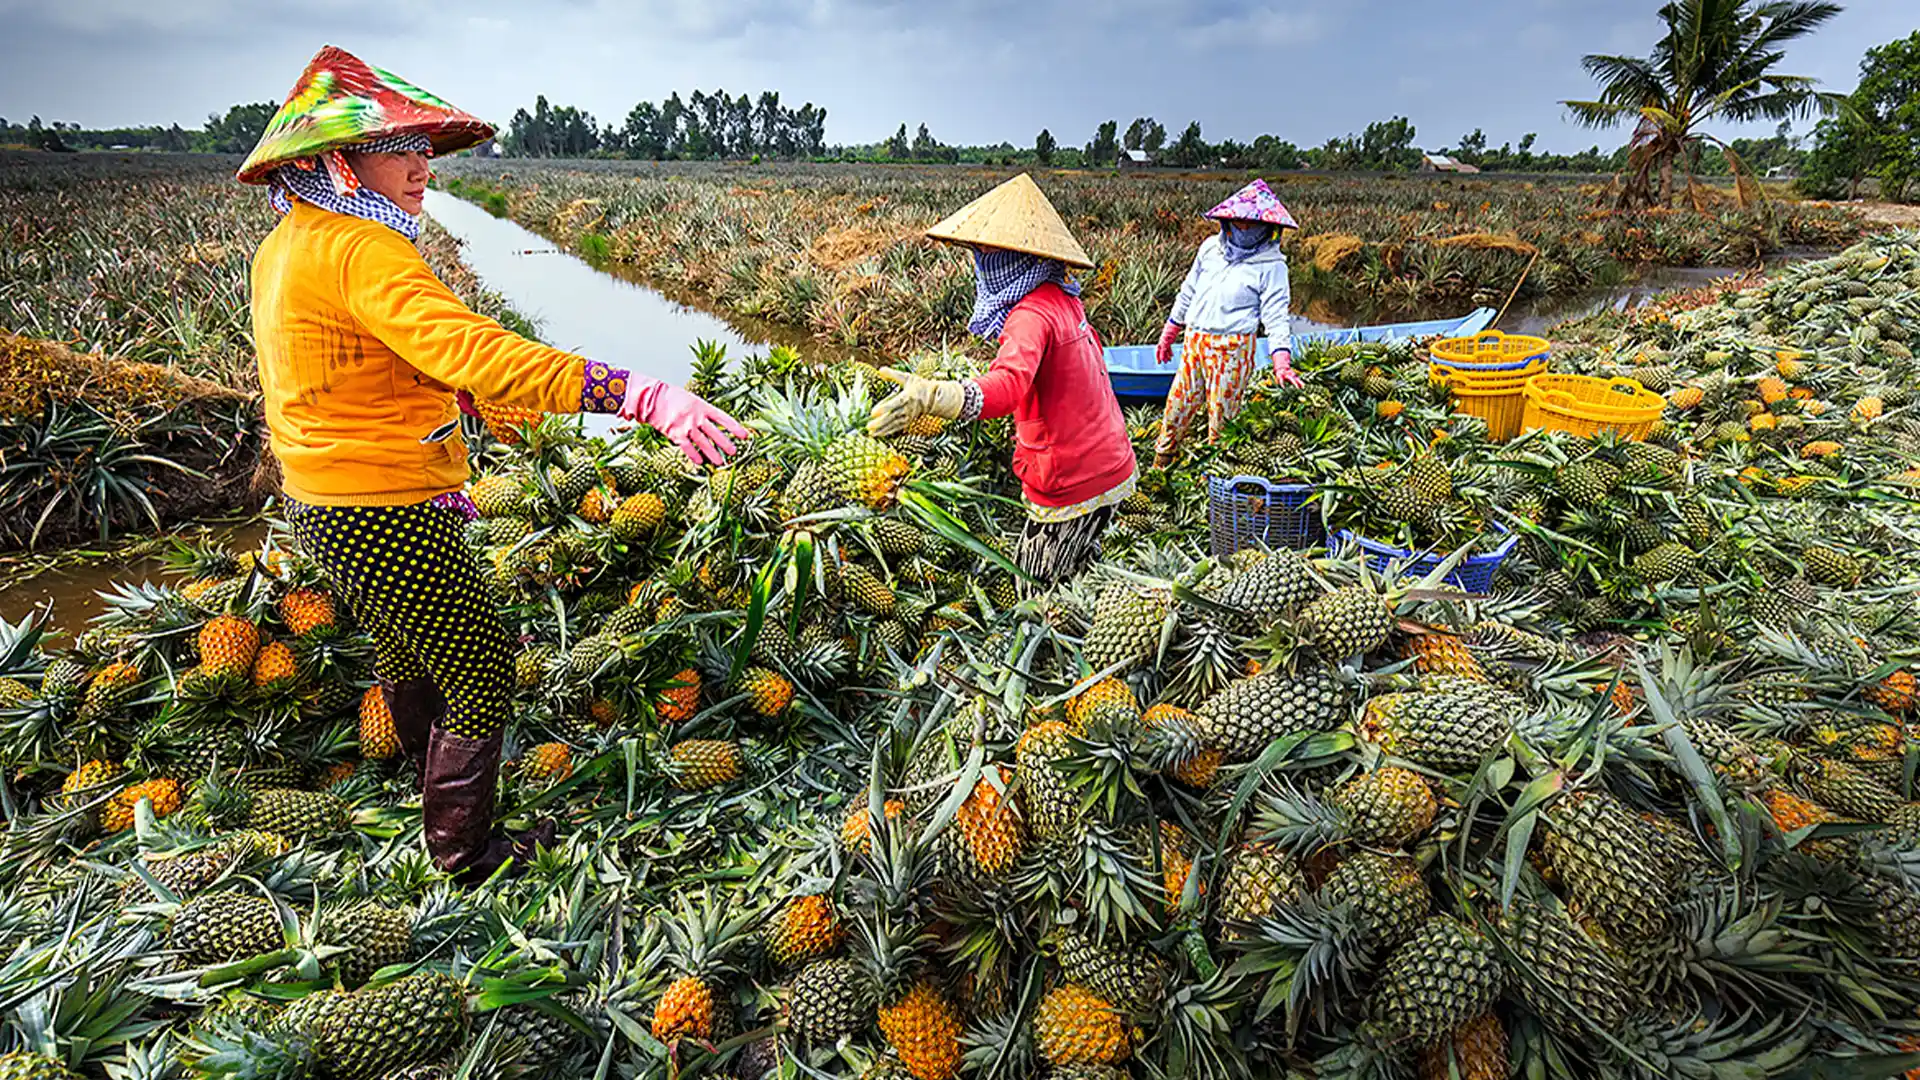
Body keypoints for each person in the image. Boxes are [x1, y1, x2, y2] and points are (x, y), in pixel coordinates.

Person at [238, 46, 747, 881]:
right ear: (337, 159)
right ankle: (464, 854)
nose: (421, 166)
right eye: (399, 147)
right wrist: (641, 395)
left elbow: (338, 361)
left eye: (424, 149)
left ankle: (422, 788)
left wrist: (448, 397)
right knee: (481, 669)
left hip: (321, 499)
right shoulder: (365, 250)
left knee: (408, 652)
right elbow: (475, 347)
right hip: (384, 504)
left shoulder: (291, 243)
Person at [867, 174, 1135, 585]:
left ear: (1015, 256)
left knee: (1034, 583)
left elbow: (1008, 386)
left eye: (987, 252)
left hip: (1073, 479)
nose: (981, 262)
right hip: (1112, 462)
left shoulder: (1029, 314)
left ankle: (1051, 641)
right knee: (1082, 566)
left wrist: (934, 395)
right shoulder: (1064, 296)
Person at [1151, 178, 1301, 468]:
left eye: (1251, 224)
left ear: (1268, 228)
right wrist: (1170, 331)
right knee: (1178, 403)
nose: (1243, 229)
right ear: (1226, 221)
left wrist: (1281, 362)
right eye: (1238, 221)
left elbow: (1276, 315)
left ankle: (1216, 474)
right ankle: (1162, 460)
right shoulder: (1210, 248)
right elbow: (1189, 289)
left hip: (1232, 348)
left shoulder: (1272, 265)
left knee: (1223, 416)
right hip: (1195, 340)